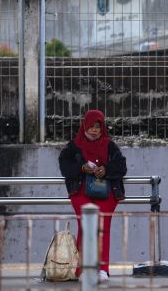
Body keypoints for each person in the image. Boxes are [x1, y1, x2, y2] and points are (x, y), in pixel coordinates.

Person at [58, 110, 127, 283]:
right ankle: (83, 269)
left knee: (103, 227)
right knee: (85, 226)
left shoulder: (109, 145)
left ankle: (103, 269)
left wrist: (105, 169)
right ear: (84, 126)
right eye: (91, 126)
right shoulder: (73, 146)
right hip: (80, 192)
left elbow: (121, 166)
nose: (95, 130)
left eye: (98, 126)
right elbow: (65, 167)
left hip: (107, 193)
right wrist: (81, 168)